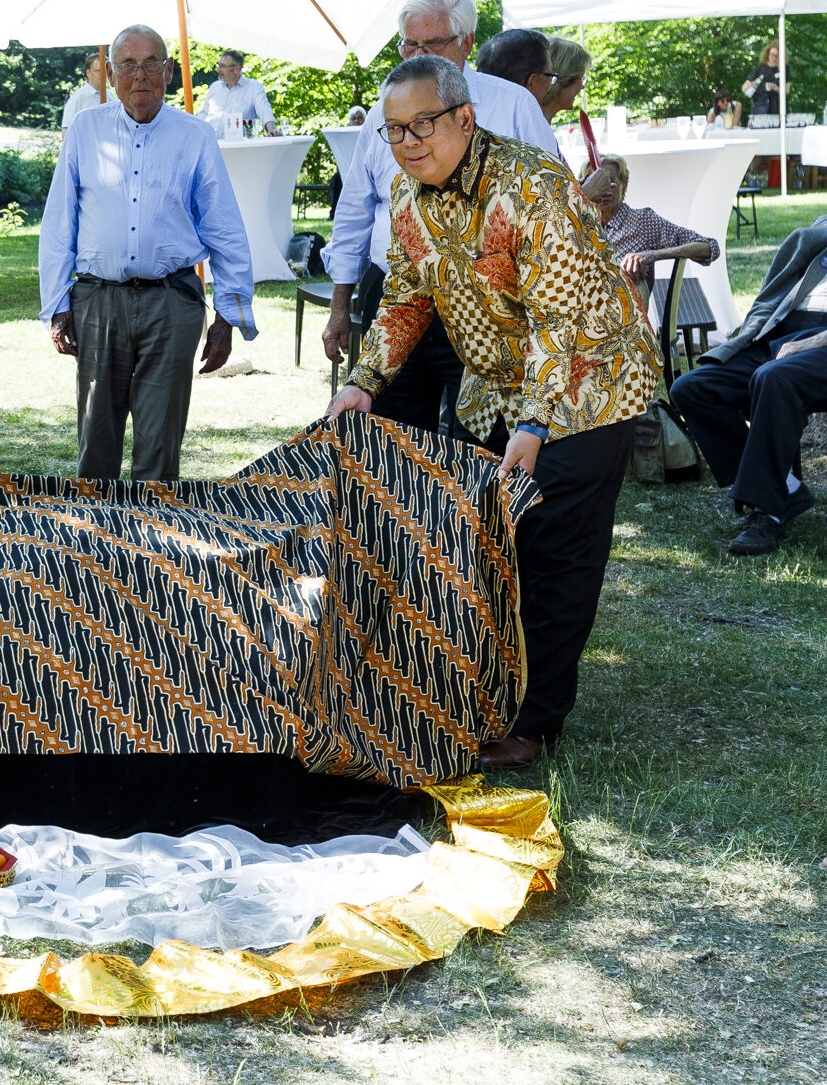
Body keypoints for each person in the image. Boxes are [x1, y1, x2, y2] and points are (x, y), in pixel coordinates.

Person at [327, 55, 657, 770]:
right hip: (500, 387)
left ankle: (534, 723)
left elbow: (559, 319)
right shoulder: (407, 197)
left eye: (423, 124)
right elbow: (408, 296)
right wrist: (365, 380)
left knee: (552, 551)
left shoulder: (533, 185)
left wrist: (535, 424)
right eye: (394, 130)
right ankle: (480, 692)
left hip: (589, 385)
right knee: (481, 543)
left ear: (464, 119)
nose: (410, 141)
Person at [320, 0, 561, 437]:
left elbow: (549, 213)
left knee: (481, 444)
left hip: (488, 308)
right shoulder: (383, 109)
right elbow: (353, 211)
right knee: (392, 441)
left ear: (467, 42)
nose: (418, 55)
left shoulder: (513, 105)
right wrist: (340, 305)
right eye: (410, 44)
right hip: (398, 295)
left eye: (433, 44)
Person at [39, 25, 257, 482]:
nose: (140, 76)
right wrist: (58, 307)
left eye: (151, 63)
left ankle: (152, 550)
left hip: (172, 303)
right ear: (111, 74)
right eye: (128, 65)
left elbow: (224, 227)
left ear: (170, 71)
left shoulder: (194, 136)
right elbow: (59, 224)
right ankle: (93, 545)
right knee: (95, 446)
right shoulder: (85, 130)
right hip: (98, 303)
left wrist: (228, 316)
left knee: (159, 451)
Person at [666, 215, 827, 556]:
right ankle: (784, 485)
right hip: (782, 332)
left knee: (773, 377)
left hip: (820, 342)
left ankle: (766, 511)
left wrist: (806, 345)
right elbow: (778, 294)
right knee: (691, 388)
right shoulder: (820, 231)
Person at [579, 155, 720, 294]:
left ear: (624, 186)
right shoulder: (576, 225)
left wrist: (653, 255)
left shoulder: (642, 221)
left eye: (611, 181)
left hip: (624, 313)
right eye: (597, 183)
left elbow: (710, 247)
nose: (604, 189)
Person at [198, 50, 277, 134]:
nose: (218, 69)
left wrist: (271, 129)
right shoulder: (215, 87)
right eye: (219, 65)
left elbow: (264, 110)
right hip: (213, 144)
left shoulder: (254, 87)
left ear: (236, 69)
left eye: (222, 66)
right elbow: (203, 116)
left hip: (241, 145)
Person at [475, 28, 556, 107]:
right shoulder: (529, 119)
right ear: (532, 82)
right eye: (551, 75)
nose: (551, 83)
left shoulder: (467, 113)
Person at [540, 36, 592, 122]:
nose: (582, 87)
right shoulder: (535, 127)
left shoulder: (535, 121)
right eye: (581, 77)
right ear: (566, 78)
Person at [60, 52, 109, 130]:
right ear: (88, 73)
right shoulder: (77, 99)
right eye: (98, 71)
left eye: (105, 70)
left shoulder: (110, 97)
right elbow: (66, 132)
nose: (103, 74)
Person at [742, 42, 784, 117]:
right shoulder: (760, 67)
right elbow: (744, 88)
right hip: (759, 107)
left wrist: (776, 88)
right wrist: (750, 85)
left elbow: (786, 91)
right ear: (767, 54)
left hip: (778, 108)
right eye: (772, 54)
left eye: (777, 55)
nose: (774, 57)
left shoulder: (783, 69)